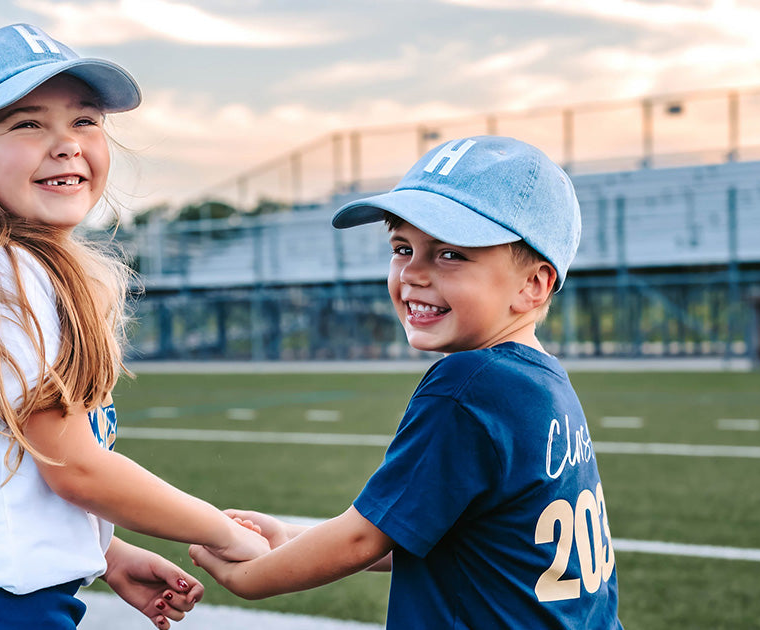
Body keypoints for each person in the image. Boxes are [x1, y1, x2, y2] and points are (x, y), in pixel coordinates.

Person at [0, 24, 268, 630]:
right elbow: (74, 466)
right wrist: (222, 532)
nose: (66, 144)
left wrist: (104, 552)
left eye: (85, 121)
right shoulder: (8, 274)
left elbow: (1, 474)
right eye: (27, 123)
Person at [191, 136, 623, 629]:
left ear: (532, 285)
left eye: (451, 254)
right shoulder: (543, 382)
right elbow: (432, 531)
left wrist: (253, 577)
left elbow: (363, 539)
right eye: (402, 248)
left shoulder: (468, 383)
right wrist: (289, 536)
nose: (412, 273)